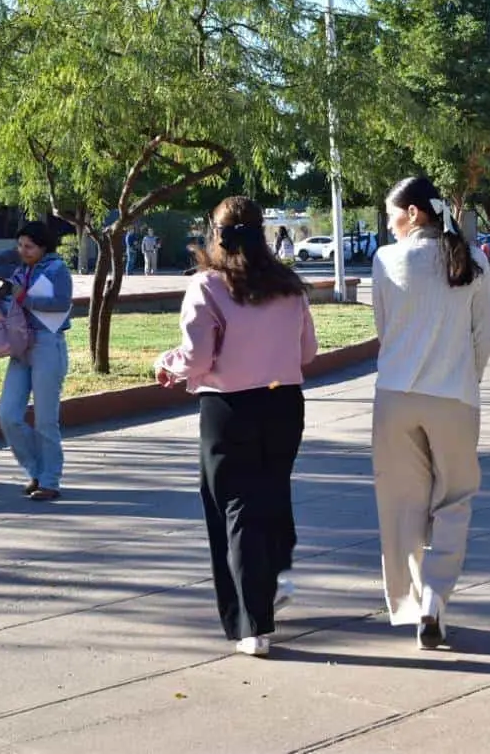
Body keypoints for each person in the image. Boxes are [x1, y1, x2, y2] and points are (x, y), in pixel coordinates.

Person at [155, 197, 317, 658]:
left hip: (228, 407)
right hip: (284, 402)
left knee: (234, 510)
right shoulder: (289, 285)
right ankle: (270, 586)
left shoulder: (207, 285)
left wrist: (165, 362)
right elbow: (307, 352)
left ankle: (252, 623)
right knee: (270, 497)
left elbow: (196, 358)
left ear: (216, 233)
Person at [370, 176, 490, 650]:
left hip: (395, 396)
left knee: (402, 503)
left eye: (392, 215)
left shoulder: (386, 259)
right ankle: (435, 598)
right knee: (454, 500)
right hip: (454, 397)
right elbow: (482, 335)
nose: (389, 225)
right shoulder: (473, 258)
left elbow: (384, 328)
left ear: (413, 213)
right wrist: (465, 378)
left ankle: (411, 599)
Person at [0, 221, 73, 500]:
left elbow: (62, 304)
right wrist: (17, 251)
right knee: (7, 414)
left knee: (45, 420)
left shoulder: (56, 269)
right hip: (20, 345)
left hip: (47, 344)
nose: (23, 251)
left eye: (29, 246)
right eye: (20, 245)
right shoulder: (19, 267)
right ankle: (36, 469)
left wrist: (25, 298)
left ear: (44, 247)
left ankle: (49, 481)